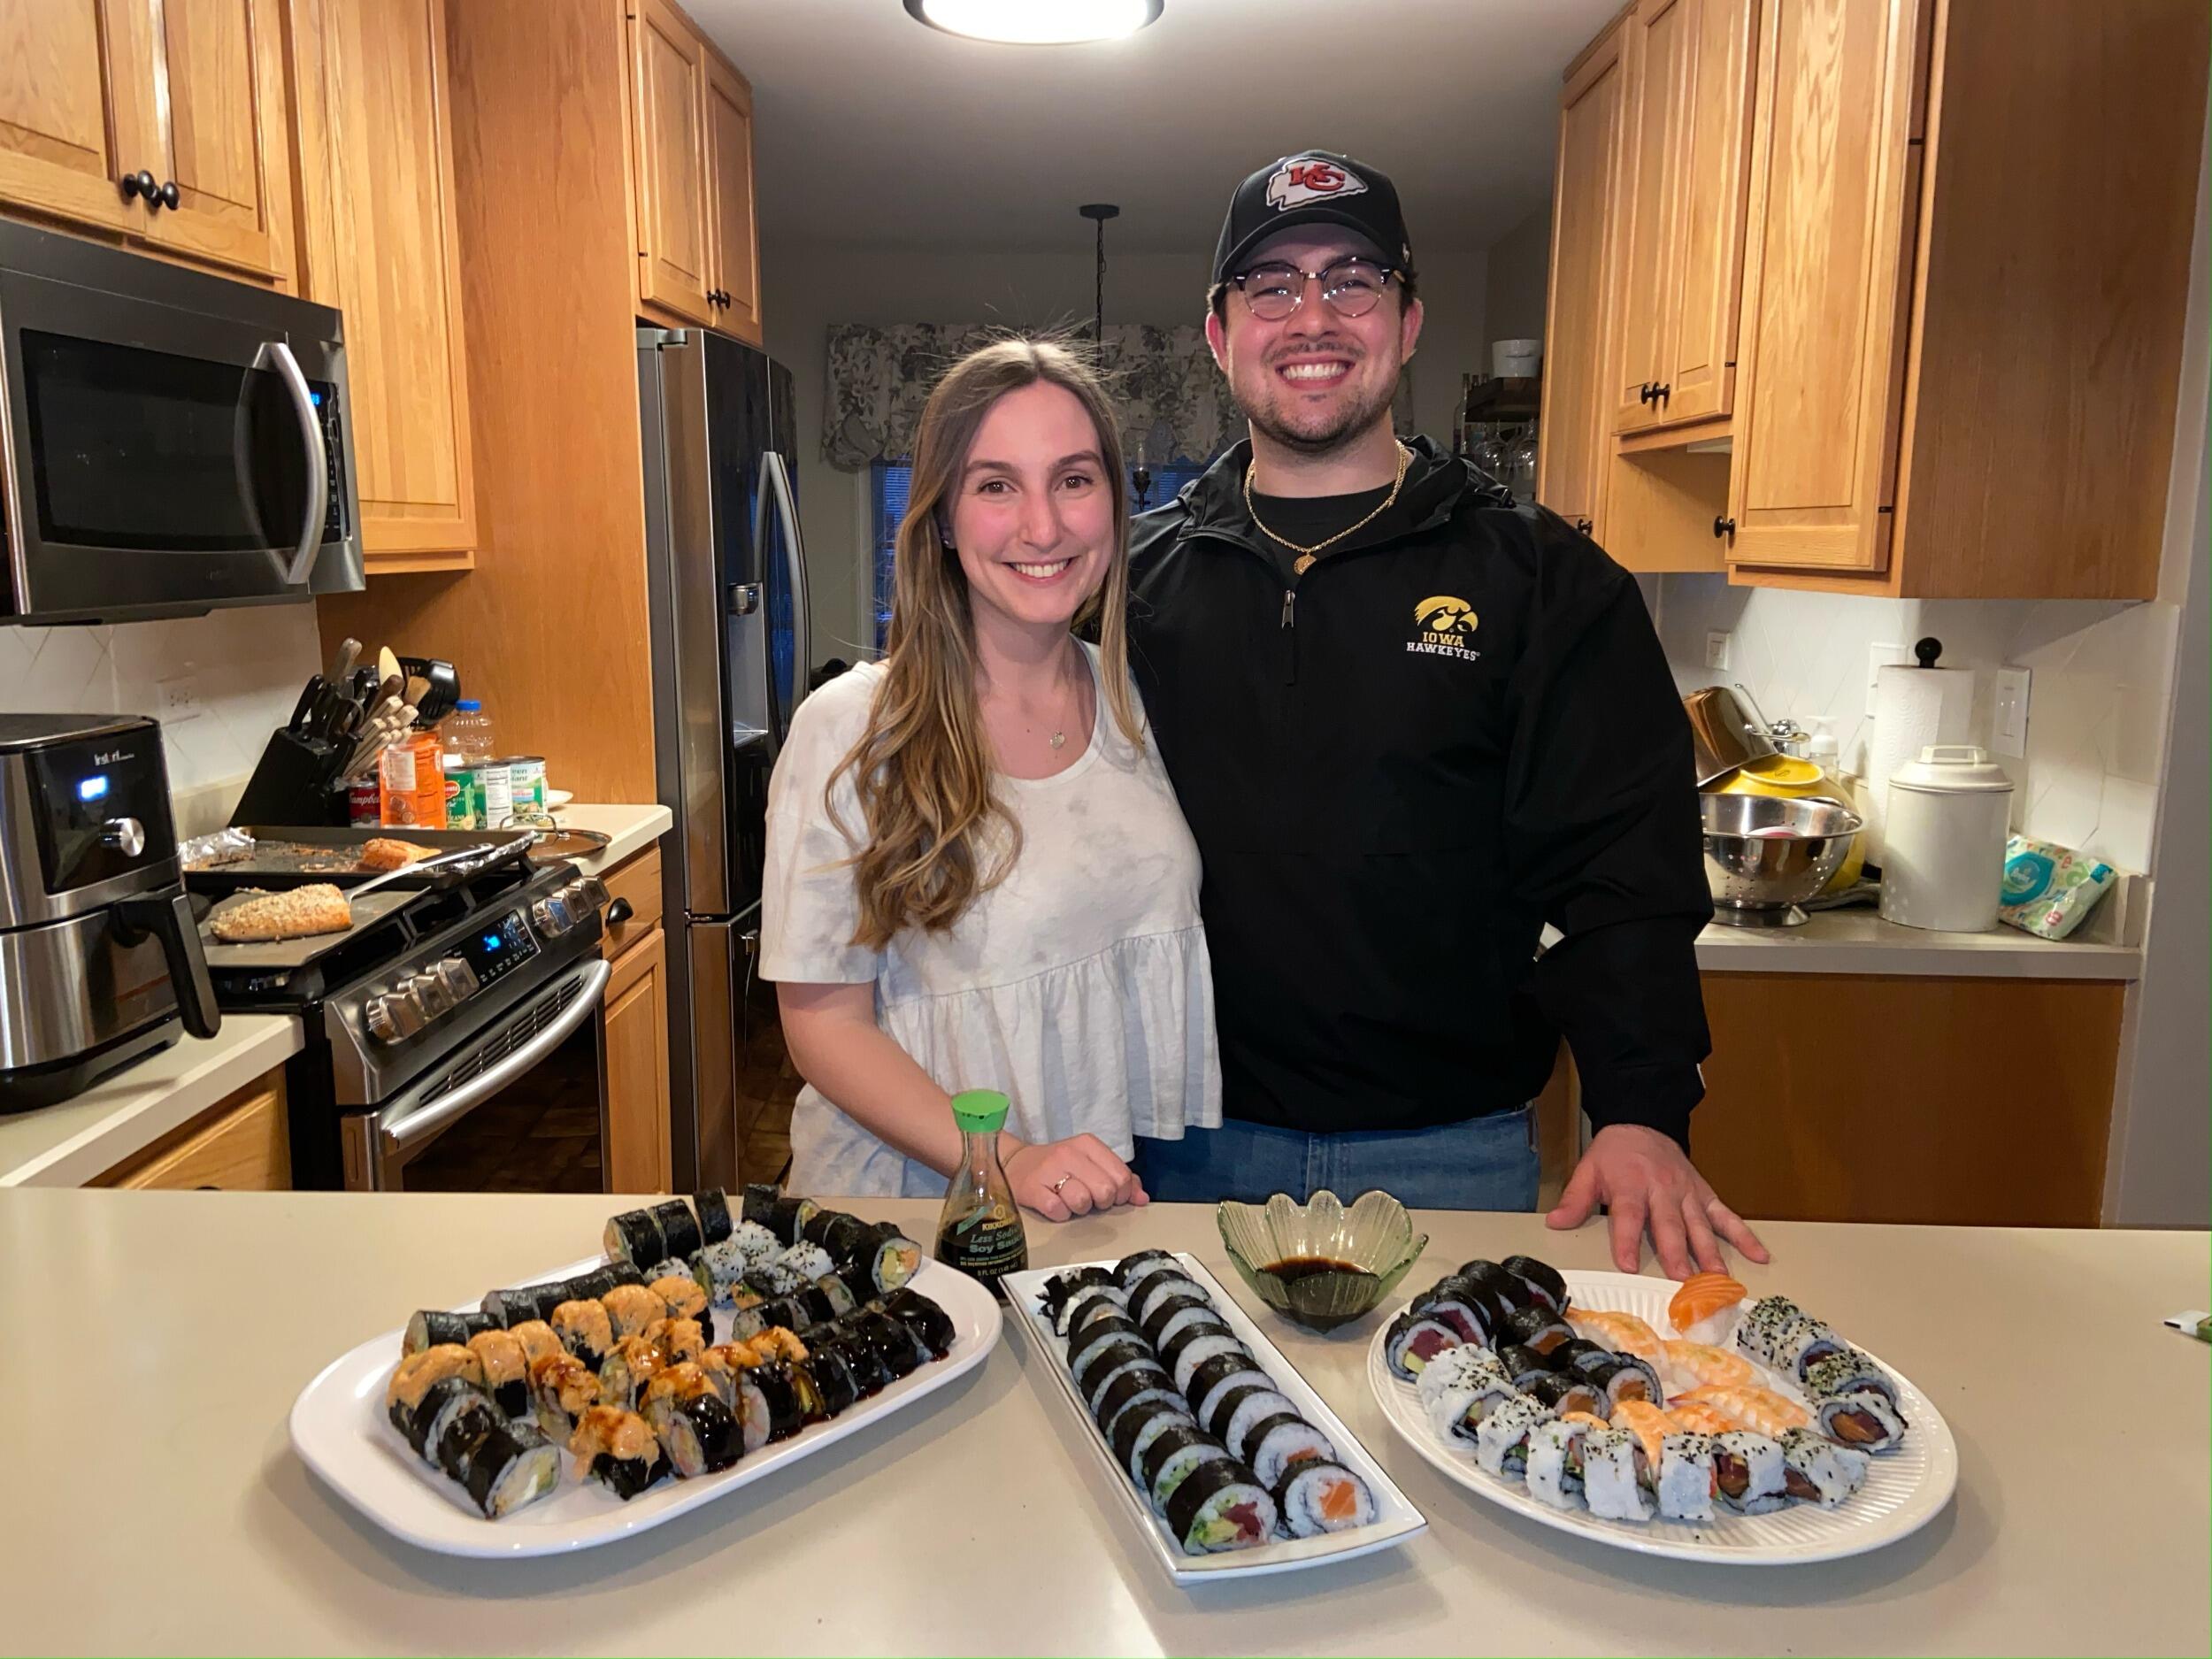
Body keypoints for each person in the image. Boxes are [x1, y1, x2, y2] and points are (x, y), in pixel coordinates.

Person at [1124, 151, 1767, 1279]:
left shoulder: (1544, 580)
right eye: (1269, 286)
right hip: (1179, 1141)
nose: (1310, 316)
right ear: (1219, 335)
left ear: (1409, 321)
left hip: (1450, 1151)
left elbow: (1626, 868)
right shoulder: (1132, 582)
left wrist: (1639, 1105)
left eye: (1351, 280)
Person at [762, 338, 1219, 1219]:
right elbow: (824, 1026)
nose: (1042, 527)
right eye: (995, 484)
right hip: (915, 1210)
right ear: (939, 516)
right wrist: (1007, 1159)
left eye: (1074, 480)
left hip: (1100, 1194)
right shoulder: (855, 730)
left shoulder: (1139, 700)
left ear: (1116, 507)